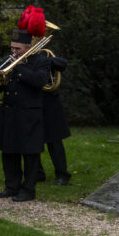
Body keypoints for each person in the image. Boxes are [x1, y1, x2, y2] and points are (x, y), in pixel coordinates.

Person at [0, 6, 50, 202]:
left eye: (17, 49)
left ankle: (28, 189)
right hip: (10, 112)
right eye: (12, 48)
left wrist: (19, 68)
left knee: (30, 154)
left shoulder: (40, 61)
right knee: (9, 152)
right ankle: (12, 186)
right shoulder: (7, 60)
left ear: (28, 48)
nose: (13, 52)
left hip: (29, 114)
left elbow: (39, 81)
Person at [38, 54, 72, 185]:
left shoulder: (45, 53)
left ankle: (62, 174)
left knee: (54, 141)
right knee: (32, 140)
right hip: (30, 100)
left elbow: (62, 63)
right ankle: (37, 173)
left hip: (49, 102)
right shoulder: (20, 52)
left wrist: (40, 59)